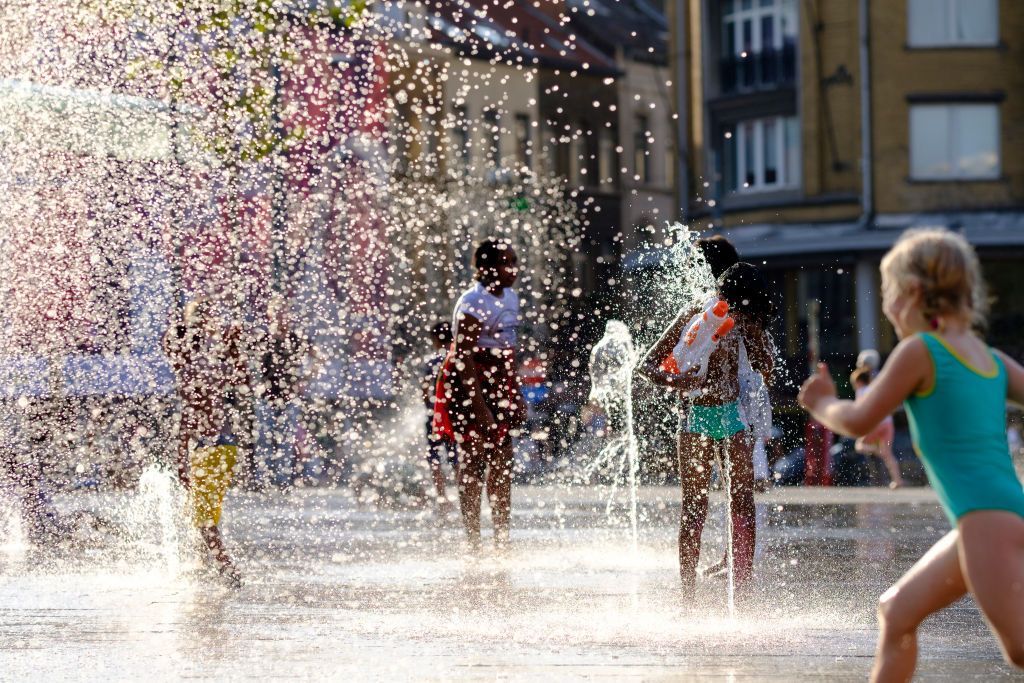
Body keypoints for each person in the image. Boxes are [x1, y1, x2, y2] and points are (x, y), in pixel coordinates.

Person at [798, 228, 1024, 681]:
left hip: (985, 520)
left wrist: (821, 401)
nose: (886, 308)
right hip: (992, 517)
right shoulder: (989, 357)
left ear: (914, 292)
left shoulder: (920, 350)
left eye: (889, 294)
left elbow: (860, 419)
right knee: (896, 611)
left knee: (1020, 648)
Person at [639, 245, 775, 593]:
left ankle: (741, 582)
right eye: (744, 312)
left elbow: (767, 371)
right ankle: (687, 588)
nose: (743, 319)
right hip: (695, 417)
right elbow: (646, 366)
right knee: (694, 506)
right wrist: (678, 381)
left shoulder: (747, 325)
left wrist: (756, 336)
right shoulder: (692, 316)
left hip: (734, 415)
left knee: (742, 500)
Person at [434, 238, 526, 549]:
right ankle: (473, 539)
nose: (512, 268)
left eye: (514, 261)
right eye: (505, 262)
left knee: (502, 460)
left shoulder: (511, 297)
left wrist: (516, 392)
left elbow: (509, 351)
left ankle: (502, 539)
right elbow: (463, 358)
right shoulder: (473, 303)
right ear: (485, 268)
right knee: (472, 461)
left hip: (499, 380)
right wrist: (480, 407)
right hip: (469, 382)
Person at [164, 299, 249, 587]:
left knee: (203, 516)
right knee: (205, 508)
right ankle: (204, 560)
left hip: (210, 449)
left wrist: (180, 460)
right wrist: (233, 345)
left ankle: (228, 569)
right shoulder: (213, 362)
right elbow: (241, 376)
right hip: (226, 447)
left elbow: (189, 419)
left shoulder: (190, 371)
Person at [850, 364, 905, 488]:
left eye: (854, 384)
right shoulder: (874, 389)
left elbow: (860, 410)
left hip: (876, 423)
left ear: (858, 382)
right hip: (888, 422)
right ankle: (897, 480)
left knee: (859, 445)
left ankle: (876, 451)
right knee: (888, 453)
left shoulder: (861, 391)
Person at [422, 321, 456, 517]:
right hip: (453, 416)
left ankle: (442, 499)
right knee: (457, 458)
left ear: (435, 339)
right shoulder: (455, 357)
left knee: (434, 459)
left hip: (434, 417)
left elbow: (425, 389)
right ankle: (465, 495)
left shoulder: (432, 361)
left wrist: (429, 407)